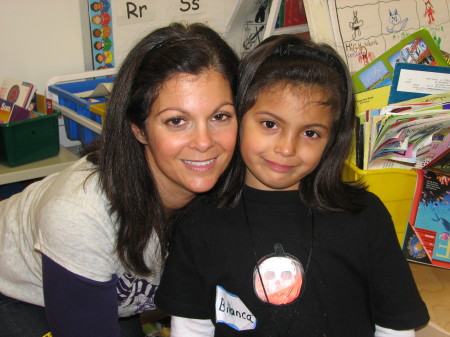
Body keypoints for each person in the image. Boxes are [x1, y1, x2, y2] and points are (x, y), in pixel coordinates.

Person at [154, 34, 430, 336]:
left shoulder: (364, 217)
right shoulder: (199, 222)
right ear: (237, 118)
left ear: (332, 140)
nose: (287, 148)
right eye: (270, 124)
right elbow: (193, 327)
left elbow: (395, 326)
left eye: (310, 133)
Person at [0, 22, 239, 337]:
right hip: (17, 293)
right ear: (138, 129)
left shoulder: (241, 184)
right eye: (177, 121)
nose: (204, 141)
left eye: (220, 116)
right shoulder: (81, 216)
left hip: (109, 290)